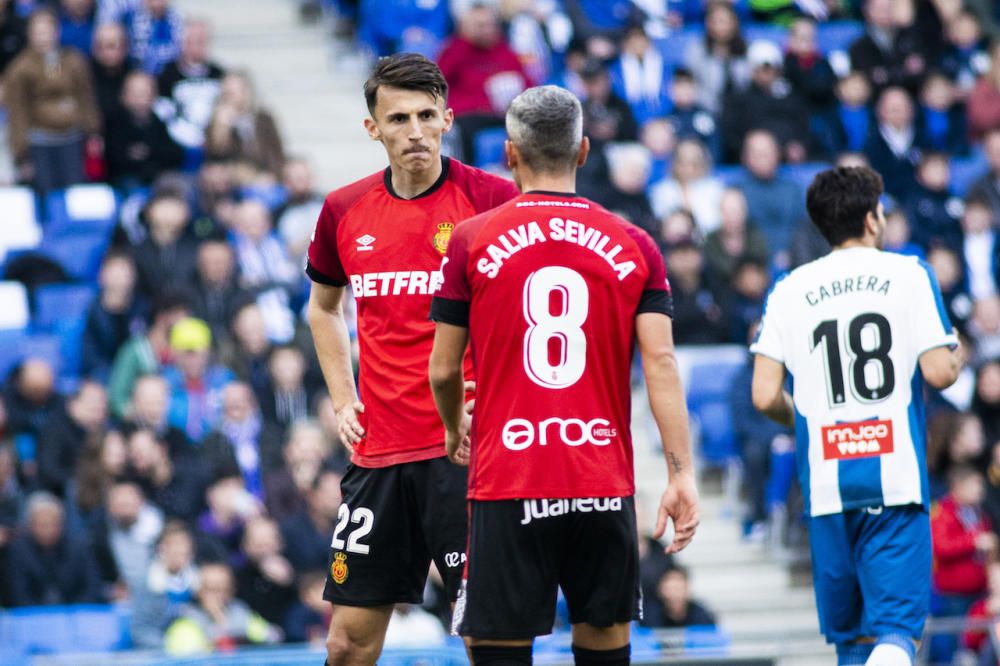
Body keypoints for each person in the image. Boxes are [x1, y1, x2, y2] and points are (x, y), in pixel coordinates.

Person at [428, 85, 699, 664]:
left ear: (508, 154)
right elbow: (661, 364)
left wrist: (455, 429)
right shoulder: (636, 244)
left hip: (508, 479)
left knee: (500, 651)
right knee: (603, 648)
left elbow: (444, 367)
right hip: (598, 478)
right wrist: (680, 473)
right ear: (583, 152)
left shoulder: (472, 242)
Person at [304, 53, 518, 665]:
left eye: (427, 115)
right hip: (379, 458)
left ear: (449, 118)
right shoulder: (344, 210)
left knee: (487, 635)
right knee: (346, 644)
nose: (415, 130)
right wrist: (344, 399)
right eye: (398, 118)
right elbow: (323, 308)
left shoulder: (493, 200)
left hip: (468, 454)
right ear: (373, 128)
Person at [751, 166, 965, 666]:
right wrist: (954, 352)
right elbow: (938, 372)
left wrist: (803, 420)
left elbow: (764, 396)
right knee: (896, 633)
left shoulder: (789, 288)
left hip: (826, 487)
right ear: (871, 219)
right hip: (893, 480)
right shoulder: (908, 273)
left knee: (854, 643)